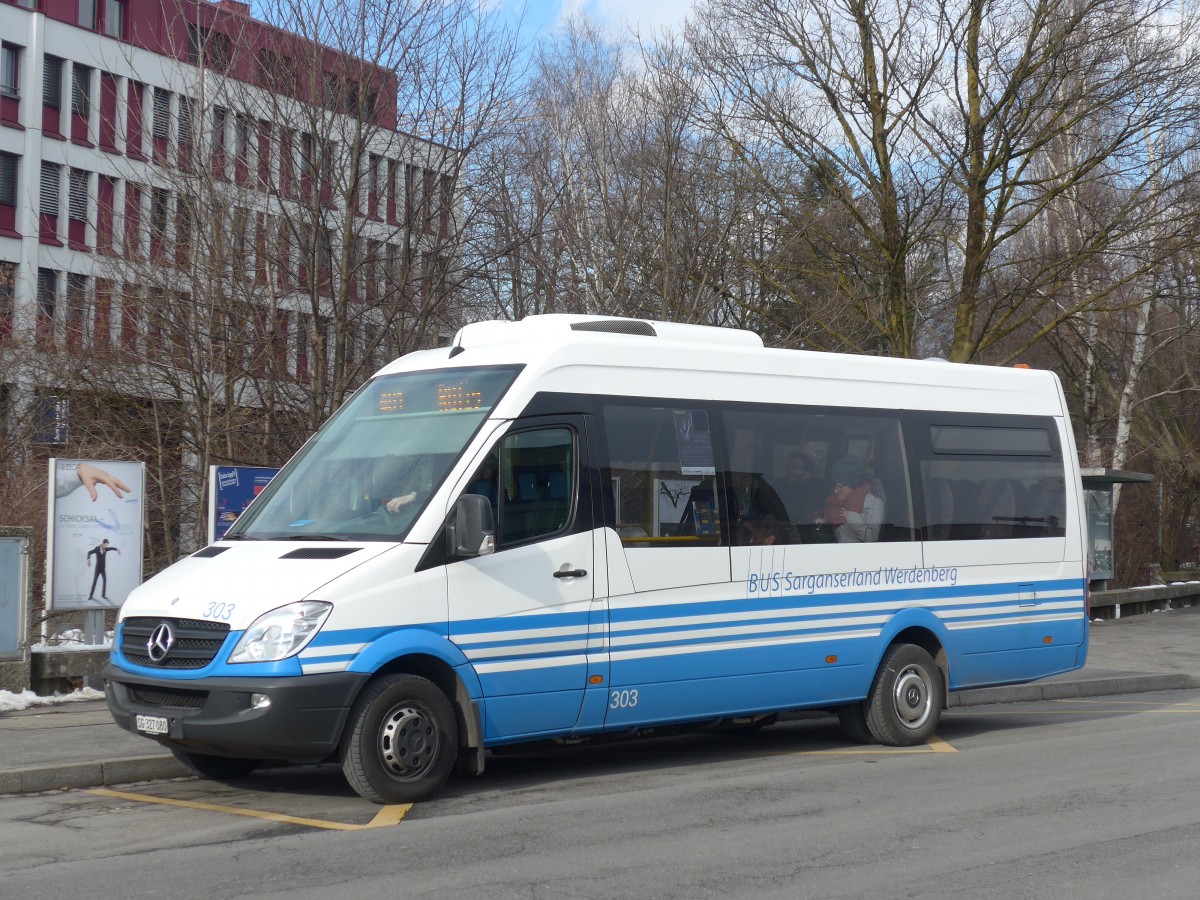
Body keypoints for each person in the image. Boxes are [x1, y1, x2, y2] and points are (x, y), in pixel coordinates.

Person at [819, 455, 884, 543]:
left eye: (840, 486)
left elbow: (871, 537)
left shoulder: (873, 502)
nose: (835, 491)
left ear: (852, 484)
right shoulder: (833, 499)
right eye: (834, 486)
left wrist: (851, 516)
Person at [773, 451, 826, 526]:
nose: (790, 470)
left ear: (808, 473)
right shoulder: (778, 486)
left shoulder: (816, 492)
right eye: (788, 467)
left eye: (796, 467)